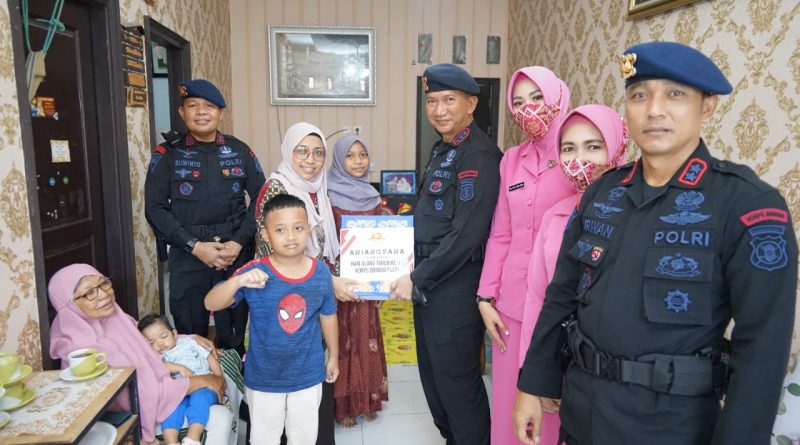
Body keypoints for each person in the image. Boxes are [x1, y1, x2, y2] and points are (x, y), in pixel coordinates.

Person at [513, 41, 798, 445]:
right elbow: (561, 295)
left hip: (670, 426)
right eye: (640, 95)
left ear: (707, 106)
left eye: (675, 94)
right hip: (583, 413)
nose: (654, 110)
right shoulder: (603, 193)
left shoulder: (747, 205)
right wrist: (532, 383)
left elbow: (762, 350)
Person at [390, 63, 502, 445]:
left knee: (457, 382)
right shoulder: (443, 149)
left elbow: (467, 234)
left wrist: (417, 277)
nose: (439, 109)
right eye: (432, 101)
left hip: (454, 284)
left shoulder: (479, 155)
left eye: (449, 100)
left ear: (471, 103)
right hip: (430, 279)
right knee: (434, 377)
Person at [515, 104, 629, 445]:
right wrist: (534, 376)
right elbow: (539, 299)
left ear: (617, 146)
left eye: (593, 146)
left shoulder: (640, 215)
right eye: (568, 148)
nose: (579, 159)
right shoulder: (555, 216)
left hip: (618, 378)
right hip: (561, 361)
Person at [474, 66, 574, 445]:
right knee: (508, 405)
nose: (527, 108)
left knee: (550, 411)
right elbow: (501, 233)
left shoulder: (576, 156)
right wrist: (486, 297)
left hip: (558, 308)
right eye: (518, 102)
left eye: (537, 98)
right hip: (511, 306)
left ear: (557, 98)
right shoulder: (512, 159)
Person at [205, 193, 339, 445]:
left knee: (304, 438)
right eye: (280, 230)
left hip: (308, 374)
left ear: (308, 229)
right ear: (266, 234)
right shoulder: (254, 272)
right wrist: (237, 281)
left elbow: (328, 315)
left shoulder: (321, 272)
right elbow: (210, 303)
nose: (291, 236)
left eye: (298, 228)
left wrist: (333, 355)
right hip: (263, 377)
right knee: (264, 438)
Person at [145, 79, 265, 356]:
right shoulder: (167, 154)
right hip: (189, 255)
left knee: (234, 334)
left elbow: (262, 199)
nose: (201, 112)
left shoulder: (239, 151)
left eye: (209, 106)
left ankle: (235, 381)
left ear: (220, 113)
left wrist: (239, 241)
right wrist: (195, 247)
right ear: (182, 112)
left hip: (234, 254)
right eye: (193, 106)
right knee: (191, 337)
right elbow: (155, 209)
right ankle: (201, 380)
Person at [48, 264, 231, 445]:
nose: (103, 294)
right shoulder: (81, 350)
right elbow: (136, 397)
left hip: (162, 388)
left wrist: (191, 338)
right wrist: (202, 381)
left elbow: (148, 338)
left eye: (103, 283)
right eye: (89, 292)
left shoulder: (116, 319)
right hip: (138, 415)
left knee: (223, 367)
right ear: (68, 305)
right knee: (220, 417)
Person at [252, 122, 355, 444]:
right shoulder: (276, 189)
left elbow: (323, 242)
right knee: (281, 391)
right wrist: (327, 280)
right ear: (288, 151)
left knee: (311, 382)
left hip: (316, 292)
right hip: (283, 300)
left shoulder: (316, 187)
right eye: (302, 151)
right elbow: (273, 256)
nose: (311, 160)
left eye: (318, 153)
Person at [327, 134, 389, 427]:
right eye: (350, 155)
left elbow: (383, 240)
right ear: (339, 160)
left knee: (368, 336)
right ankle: (346, 405)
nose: (358, 161)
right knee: (343, 339)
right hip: (341, 282)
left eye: (362, 155)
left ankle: (368, 398)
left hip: (368, 281)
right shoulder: (327, 196)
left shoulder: (374, 196)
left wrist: (385, 278)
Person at [138, 314, 223, 445]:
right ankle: (171, 442)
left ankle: (192, 438)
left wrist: (219, 378)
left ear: (174, 334)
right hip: (177, 392)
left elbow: (209, 357)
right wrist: (179, 367)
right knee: (170, 411)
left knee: (200, 403)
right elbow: (159, 366)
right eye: (152, 343)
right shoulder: (156, 357)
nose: (160, 344)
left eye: (164, 336)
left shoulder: (189, 343)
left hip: (203, 387)